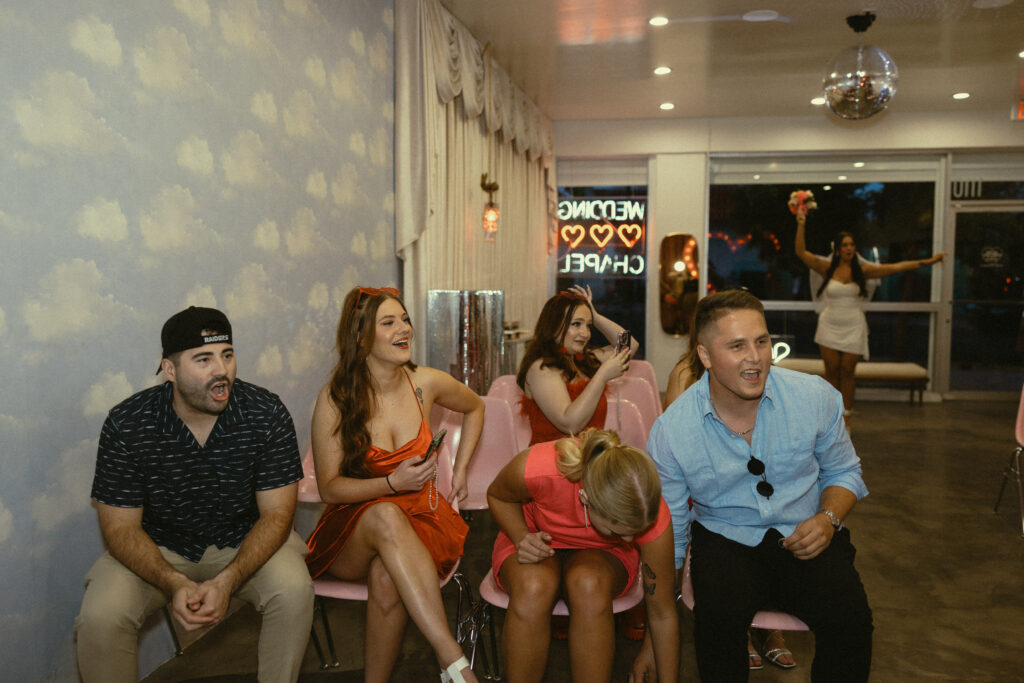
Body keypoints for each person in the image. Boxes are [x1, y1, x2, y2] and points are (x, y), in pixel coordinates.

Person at [75, 306, 314, 683]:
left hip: (244, 541)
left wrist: (228, 580)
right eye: (203, 359)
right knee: (101, 615)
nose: (221, 370)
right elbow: (120, 528)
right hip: (156, 546)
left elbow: (278, 515)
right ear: (169, 370)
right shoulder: (128, 423)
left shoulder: (265, 413)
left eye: (227, 355)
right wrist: (174, 583)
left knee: (294, 590)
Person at [648, 289, 873, 682]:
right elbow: (671, 534)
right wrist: (652, 634)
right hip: (725, 539)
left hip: (807, 529)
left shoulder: (814, 397)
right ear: (705, 356)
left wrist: (828, 518)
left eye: (762, 341)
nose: (755, 357)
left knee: (851, 621)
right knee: (715, 628)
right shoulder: (673, 431)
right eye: (736, 346)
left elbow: (844, 473)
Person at [304, 286, 484, 683]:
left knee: (387, 577)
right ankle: (453, 661)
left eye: (405, 319)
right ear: (360, 337)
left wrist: (463, 469)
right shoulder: (335, 399)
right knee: (385, 516)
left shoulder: (425, 383)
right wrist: (390, 482)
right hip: (351, 527)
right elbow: (330, 489)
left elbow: (476, 406)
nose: (404, 329)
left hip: (423, 518)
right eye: (389, 323)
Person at [487, 428, 678, 683]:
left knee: (589, 584)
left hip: (604, 554)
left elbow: (663, 612)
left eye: (636, 533)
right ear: (585, 499)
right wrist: (522, 536)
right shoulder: (541, 467)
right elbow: (497, 494)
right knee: (533, 586)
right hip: (534, 533)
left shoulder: (647, 512)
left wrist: (655, 657)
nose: (631, 540)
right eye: (618, 530)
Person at [663, 340, 797, 672]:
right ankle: (740, 634)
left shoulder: (763, 376)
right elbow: (679, 436)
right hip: (709, 477)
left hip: (757, 473)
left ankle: (769, 630)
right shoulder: (684, 373)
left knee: (774, 522)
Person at [794, 206, 944, 413]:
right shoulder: (826, 268)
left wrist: (929, 261)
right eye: (845, 245)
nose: (849, 248)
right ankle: (829, 414)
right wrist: (801, 223)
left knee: (847, 371)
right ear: (837, 248)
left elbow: (896, 267)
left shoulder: (863, 271)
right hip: (829, 324)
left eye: (852, 244)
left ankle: (846, 415)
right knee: (831, 370)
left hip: (854, 325)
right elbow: (801, 252)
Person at [517, 285, 637, 445]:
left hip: (588, 460)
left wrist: (595, 316)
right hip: (553, 461)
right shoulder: (541, 368)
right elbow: (570, 424)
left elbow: (629, 345)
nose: (585, 333)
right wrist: (601, 377)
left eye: (588, 325)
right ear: (554, 326)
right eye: (576, 324)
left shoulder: (585, 360)